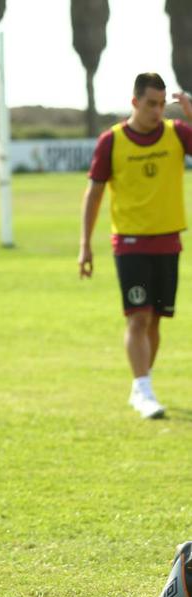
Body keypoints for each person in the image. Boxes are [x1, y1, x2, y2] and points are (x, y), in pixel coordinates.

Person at [79, 72, 192, 421]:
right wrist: (85, 245)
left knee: (156, 321)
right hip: (129, 243)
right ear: (134, 102)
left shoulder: (177, 134)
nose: (157, 111)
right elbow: (94, 194)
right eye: (150, 104)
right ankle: (143, 389)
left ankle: (141, 385)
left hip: (168, 241)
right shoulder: (111, 142)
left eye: (162, 104)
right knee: (138, 318)